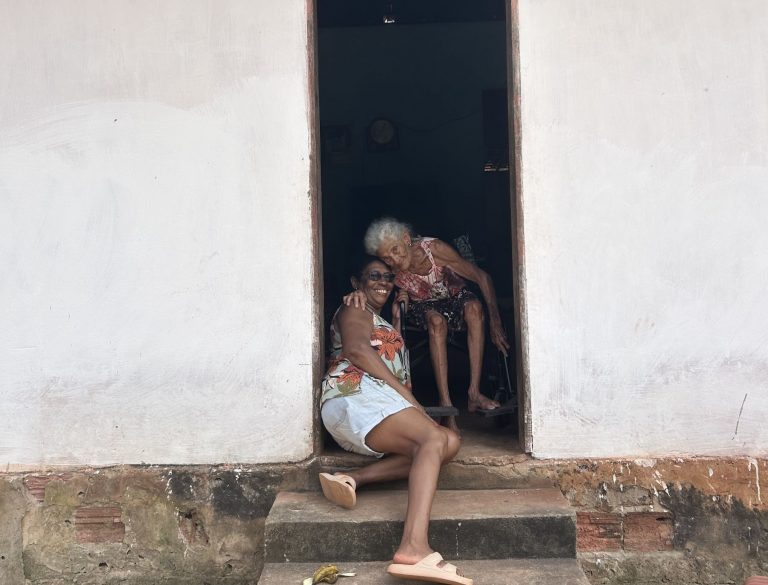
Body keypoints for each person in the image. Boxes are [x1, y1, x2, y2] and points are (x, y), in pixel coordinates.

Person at [319, 255, 471, 585]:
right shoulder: (355, 307)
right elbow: (358, 351)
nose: (383, 282)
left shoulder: (378, 317)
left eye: (389, 278)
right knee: (432, 439)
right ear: (355, 283)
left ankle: (352, 478)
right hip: (353, 395)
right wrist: (413, 402)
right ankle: (413, 548)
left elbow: (383, 350)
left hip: (368, 406)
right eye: (374, 275)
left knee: (450, 443)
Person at [347, 217, 510, 434]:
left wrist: (496, 322)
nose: (394, 260)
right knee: (436, 322)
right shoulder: (389, 268)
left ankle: (474, 393)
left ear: (406, 239)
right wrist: (358, 291)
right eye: (387, 257)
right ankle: (446, 406)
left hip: (453, 297)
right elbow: (372, 285)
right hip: (422, 306)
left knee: (473, 308)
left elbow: (482, 277)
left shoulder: (435, 249)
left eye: (396, 250)